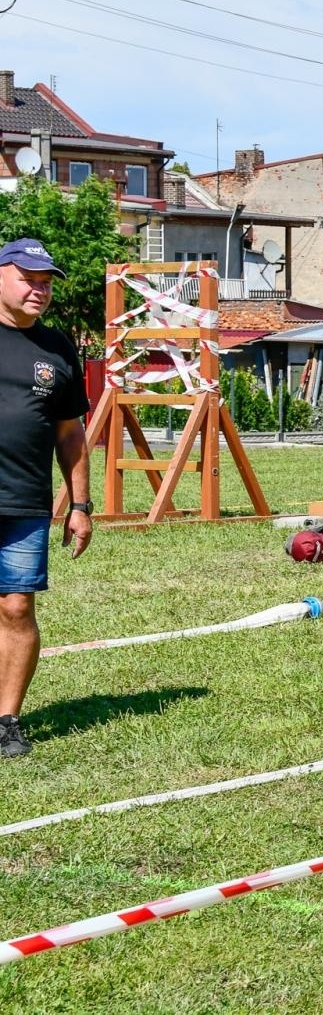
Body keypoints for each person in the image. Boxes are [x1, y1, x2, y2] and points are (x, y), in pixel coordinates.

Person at [0, 239, 92, 759]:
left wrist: (79, 506)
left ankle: (6, 720)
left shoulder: (57, 347)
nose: (40, 289)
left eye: (47, 281)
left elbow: (69, 433)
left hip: (26, 502)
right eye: (29, 279)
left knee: (16, 607)